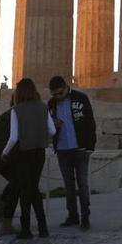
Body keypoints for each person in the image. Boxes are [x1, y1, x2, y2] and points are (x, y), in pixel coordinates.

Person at [1, 78, 56, 239]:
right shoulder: (43, 108)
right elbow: (52, 131)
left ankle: (26, 230)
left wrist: (4, 153)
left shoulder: (16, 110)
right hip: (39, 153)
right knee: (34, 190)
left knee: (26, 191)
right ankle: (43, 228)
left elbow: (13, 137)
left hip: (22, 153)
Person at [47, 74, 96, 231]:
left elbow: (90, 122)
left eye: (60, 93)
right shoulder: (51, 104)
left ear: (66, 87)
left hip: (80, 148)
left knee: (82, 184)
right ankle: (73, 216)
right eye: (54, 94)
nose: (57, 97)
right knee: (68, 186)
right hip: (62, 149)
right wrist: (53, 126)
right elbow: (47, 127)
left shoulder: (81, 98)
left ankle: (85, 217)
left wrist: (90, 146)